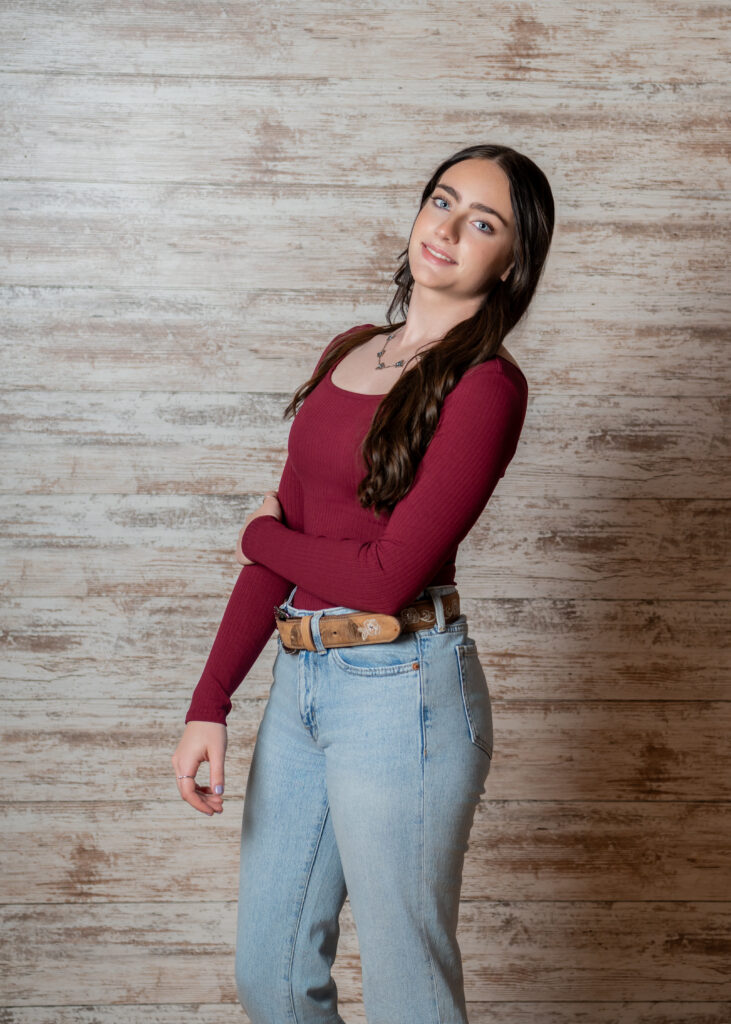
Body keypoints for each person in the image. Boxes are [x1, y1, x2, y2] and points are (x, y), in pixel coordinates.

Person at [172, 143, 555, 1024]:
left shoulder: (485, 387)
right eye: (442, 201)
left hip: (404, 692)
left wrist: (263, 531)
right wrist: (209, 700)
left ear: (511, 261)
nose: (449, 229)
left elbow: (381, 580)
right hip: (300, 680)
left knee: (407, 990)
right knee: (269, 978)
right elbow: (283, 555)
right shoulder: (350, 349)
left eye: (483, 223)